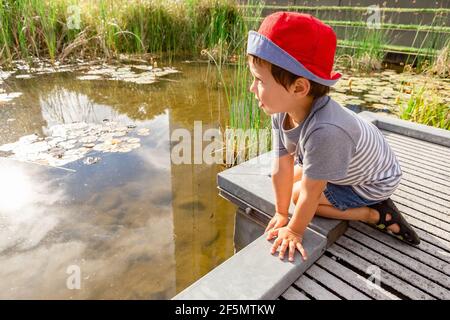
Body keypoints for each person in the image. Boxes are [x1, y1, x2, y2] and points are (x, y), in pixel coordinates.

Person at [246, 12, 420, 262]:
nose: (252, 88)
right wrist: (281, 214)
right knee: (291, 180)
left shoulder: (326, 131)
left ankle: (373, 214)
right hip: (346, 163)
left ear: (299, 87)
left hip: (373, 181)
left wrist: (294, 230)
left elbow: (310, 193)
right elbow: (281, 167)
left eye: (259, 80)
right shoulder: (283, 111)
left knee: (299, 195)